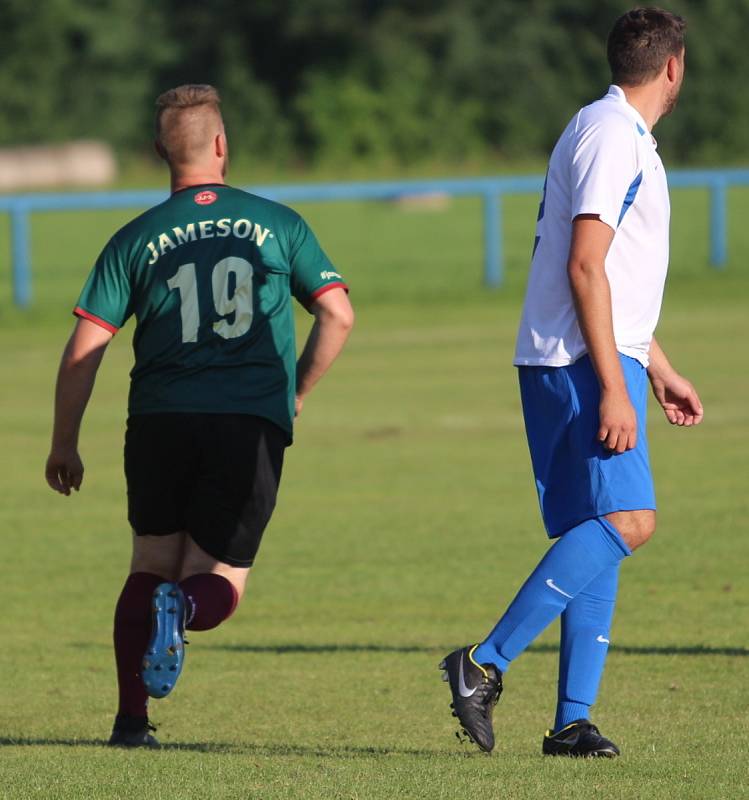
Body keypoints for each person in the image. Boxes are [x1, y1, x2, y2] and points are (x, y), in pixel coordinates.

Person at [45, 84, 354, 748]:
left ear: (160, 151)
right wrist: (293, 392)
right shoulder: (280, 223)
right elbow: (338, 313)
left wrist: (63, 442)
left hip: (158, 420)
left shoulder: (135, 239)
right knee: (217, 583)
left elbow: (83, 351)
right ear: (221, 144)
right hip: (246, 422)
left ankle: (130, 723)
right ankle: (181, 610)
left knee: (149, 561)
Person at [441, 8, 703, 757]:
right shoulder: (612, 136)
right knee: (629, 522)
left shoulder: (616, 134)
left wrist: (655, 366)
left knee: (600, 528)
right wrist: (614, 385)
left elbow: (608, 275)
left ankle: (570, 721)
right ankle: (481, 664)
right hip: (579, 361)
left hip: (596, 353)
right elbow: (583, 264)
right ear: (673, 66)